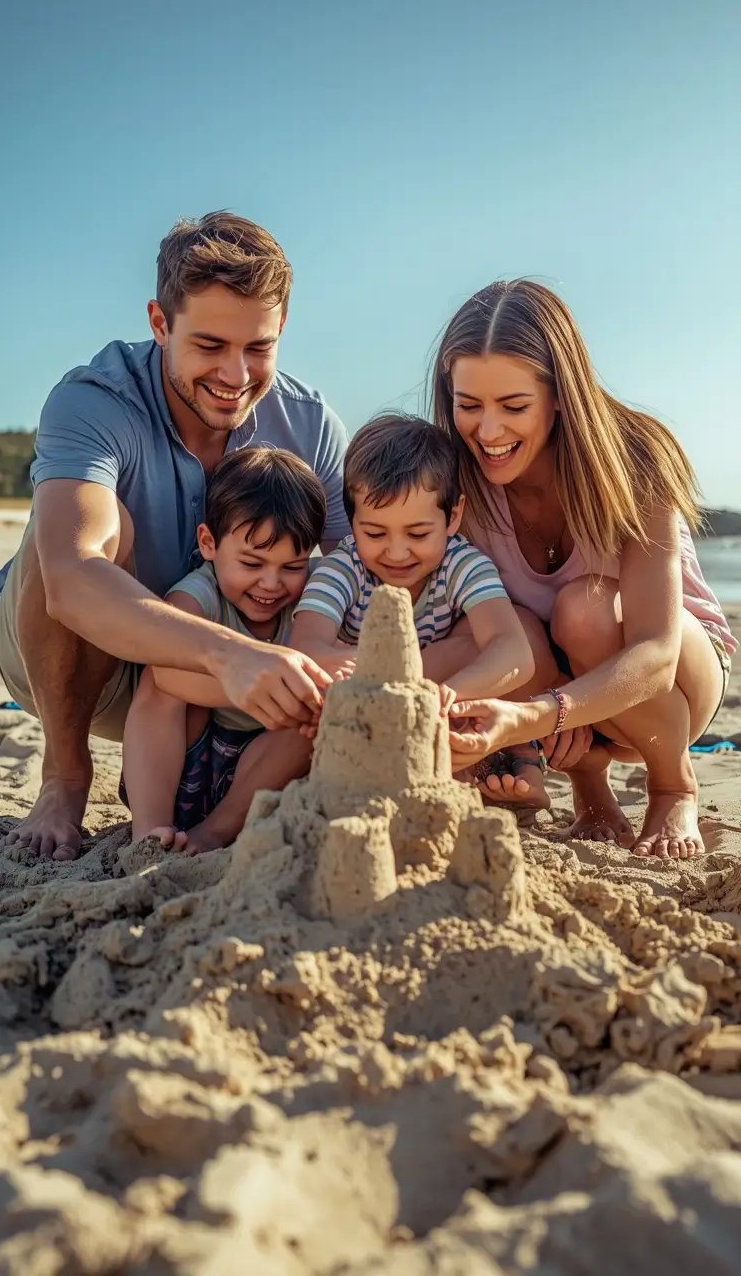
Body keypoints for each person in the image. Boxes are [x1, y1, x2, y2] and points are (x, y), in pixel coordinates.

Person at [0, 211, 351, 863]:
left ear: (281, 329)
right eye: (210, 345)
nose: (236, 375)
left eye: (258, 347)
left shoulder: (311, 423)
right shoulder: (95, 400)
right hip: (63, 660)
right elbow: (68, 579)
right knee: (73, 527)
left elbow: (372, 573)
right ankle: (65, 779)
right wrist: (227, 655)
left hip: (225, 687)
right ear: (160, 324)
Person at [428, 278, 736, 860]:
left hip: (673, 681)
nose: (488, 433)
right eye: (469, 406)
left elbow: (655, 653)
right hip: (552, 686)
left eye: (514, 407)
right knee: (505, 620)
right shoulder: (455, 477)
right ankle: (591, 790)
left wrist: (538, 713)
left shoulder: (635, 457)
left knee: (586, 606)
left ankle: (673, 785)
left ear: (560, 395)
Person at [289, 413, 544, 794]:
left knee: (502, 636)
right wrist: (366, 670)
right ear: (352, 520)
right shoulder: (344, 567)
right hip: (368, 711)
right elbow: (304, 647)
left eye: (418, 533)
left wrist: (447, 695)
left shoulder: (462, 563)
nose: (396, 552)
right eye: (374, 532)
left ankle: (523, 767)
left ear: (453, 515)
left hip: (444, 705)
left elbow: (516, 654)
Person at [122, 447, 345, 855]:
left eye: (292, 566)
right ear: (209, 543)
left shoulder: (318, 595)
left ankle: (216, 832)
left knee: (315, 712)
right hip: (190, 769)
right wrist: (248, 686)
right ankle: (150, 831)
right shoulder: (196, 596)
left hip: (267, 775)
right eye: (252, 562)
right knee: (162, 680)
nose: (271, 583)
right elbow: (168, 671)